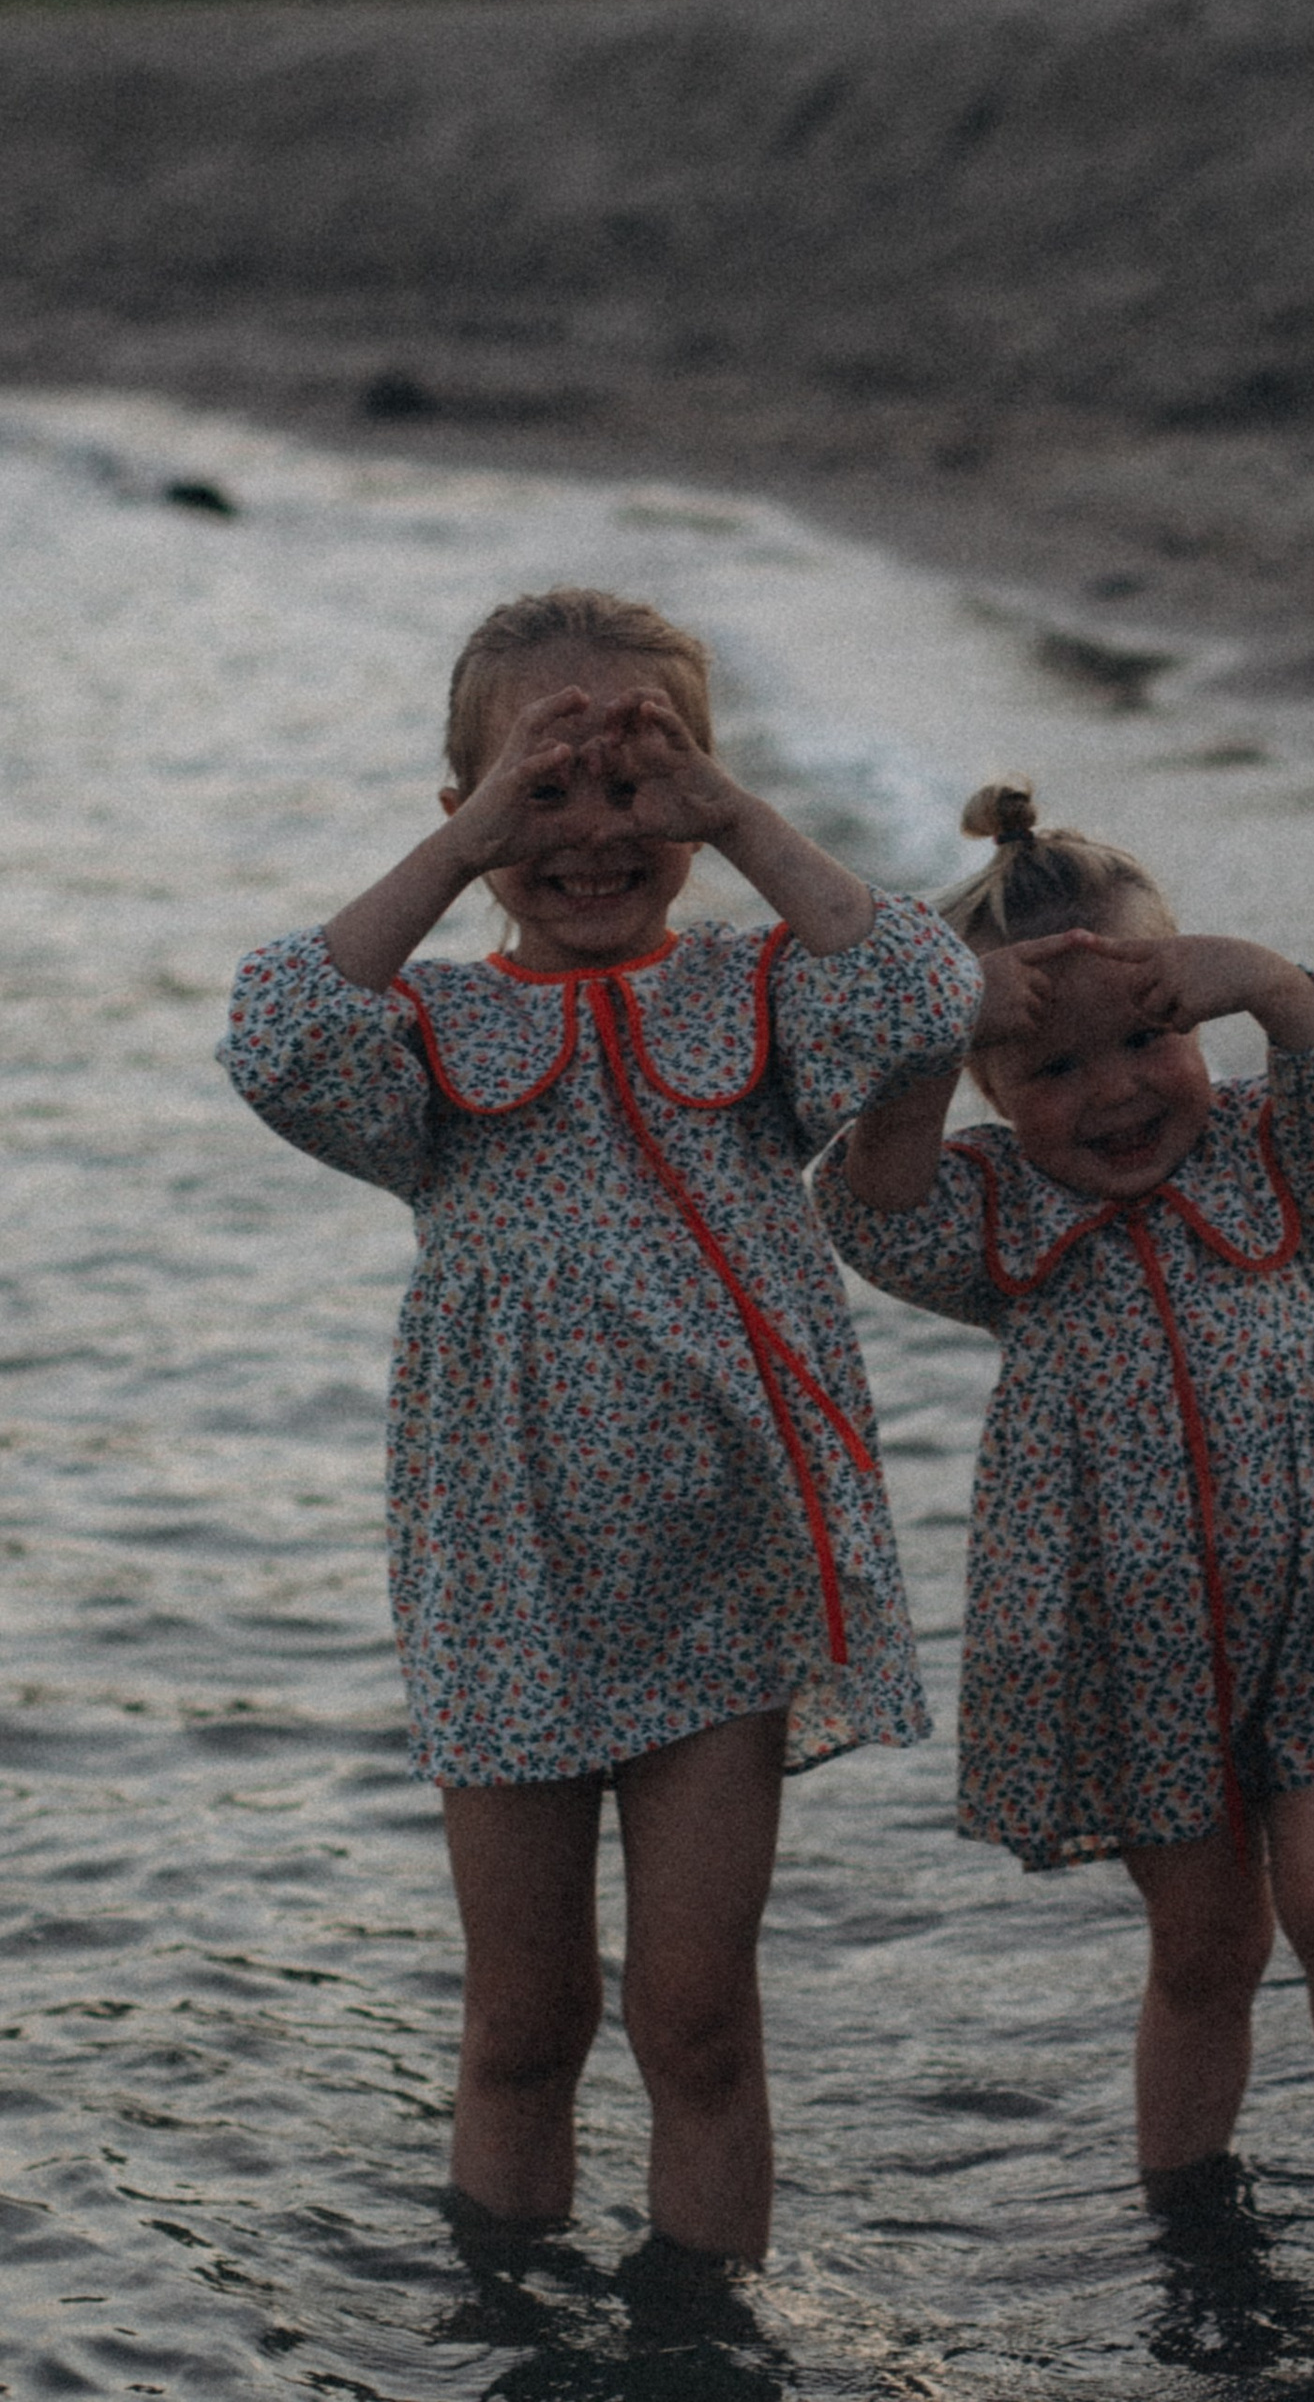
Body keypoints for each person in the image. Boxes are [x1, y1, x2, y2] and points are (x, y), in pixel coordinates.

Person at [221, 586, 1013, 2268]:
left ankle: (700, 2346)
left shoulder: (764, 994)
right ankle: (510, 2331)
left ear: (701, 799)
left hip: (725, 1586)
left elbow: (928, 990)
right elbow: (273, 1034)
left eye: (636, 788)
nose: (592, 833)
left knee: (697, 2022)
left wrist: (734, 815)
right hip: (507, 1589)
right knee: (524, 2023)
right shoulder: (428, 1039)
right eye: (544, 792)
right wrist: (464, 850)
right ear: (471, 811)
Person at [816, 782, 1314, 2227]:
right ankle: (1187, 2211)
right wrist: (932, 1029)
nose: (1118, 1091)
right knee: (1205, 1948)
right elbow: (867, 1207)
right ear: (990, 1088)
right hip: (1133, 1646)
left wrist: (1259, 975)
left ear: (1195, 1017)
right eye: (1055, 1067)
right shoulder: (994, 1210)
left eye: (1148, 1036)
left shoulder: (1269, 1156)